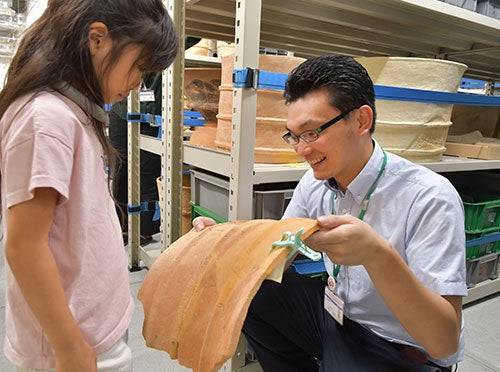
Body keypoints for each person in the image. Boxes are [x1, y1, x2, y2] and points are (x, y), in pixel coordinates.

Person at [194, 55, 467, 371]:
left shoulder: (428, 196)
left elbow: (444, 341)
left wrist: (378, 255)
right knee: (249, 292)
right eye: (294, 136)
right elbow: (278, 253)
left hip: (399, 349)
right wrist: (228, 240)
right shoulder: (315, 181)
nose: (301, 150)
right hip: (339, 318)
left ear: (362, 121)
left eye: (312, 132)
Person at [0, 0, 178, 371]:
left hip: (92, 331)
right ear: (97, 39)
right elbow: (23, 246)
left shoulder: (73, 113)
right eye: (139, 68)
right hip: (70, 344)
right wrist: (68, 347)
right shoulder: (46, 118)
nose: (136, 84)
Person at [109, 37, 200, 245]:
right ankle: (122, 226)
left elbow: (187, 33)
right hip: (123, 111)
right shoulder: (133, 38)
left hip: (152, 115)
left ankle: (143, 228)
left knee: (148, 172)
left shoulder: (167, 35)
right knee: (121, 172)